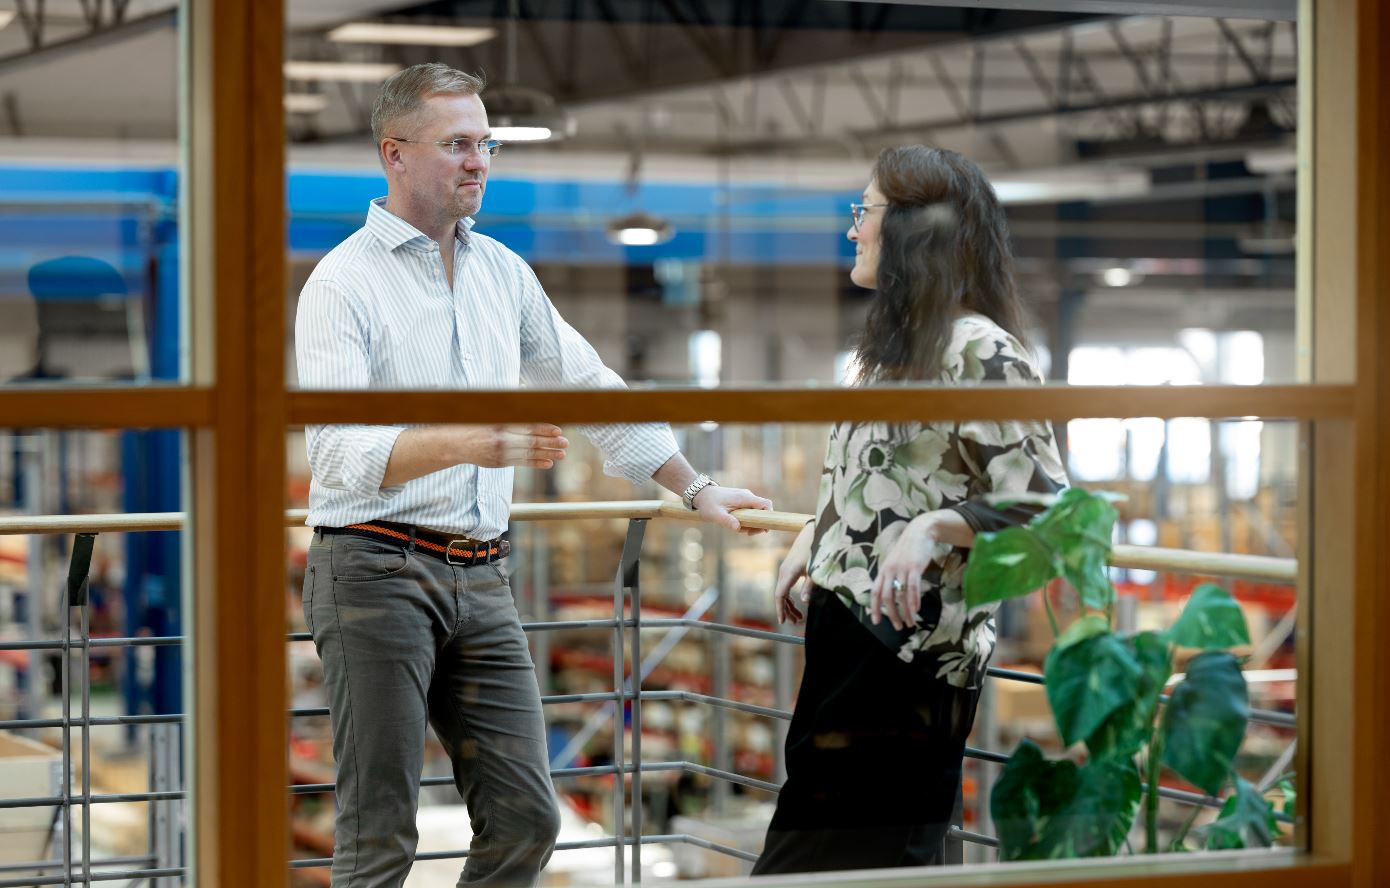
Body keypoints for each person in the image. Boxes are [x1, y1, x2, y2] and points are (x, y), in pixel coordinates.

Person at [294, 62, 772, 888]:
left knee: (527, 819)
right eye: (455, 144)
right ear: (394, 154)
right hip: (372, 570)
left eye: (486, 144)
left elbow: (587, 387)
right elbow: (337, 455)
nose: (477, 161)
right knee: (379, 835)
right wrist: (464, 443)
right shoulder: (342, 284)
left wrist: (692, 485)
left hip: (481, 576)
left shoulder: (503, 273)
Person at [751, 145, 1069, 875]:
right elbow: (894, 478)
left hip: (908, 654)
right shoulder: (894, 351)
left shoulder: (977, 348)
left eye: (864, 212)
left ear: (915, 230)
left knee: (828, 858)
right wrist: (818, 529)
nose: (853, 229)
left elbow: (1049, 507)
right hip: (849, 635)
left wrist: (937, 529)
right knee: (851, 855)